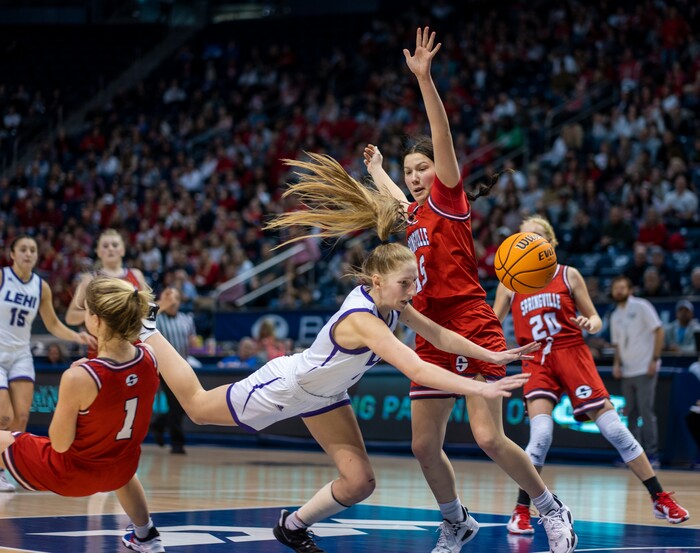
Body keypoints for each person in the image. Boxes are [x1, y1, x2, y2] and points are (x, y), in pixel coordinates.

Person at [144, 237, 537, 553]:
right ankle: (148, 330)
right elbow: (416, 368)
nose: (412, 290)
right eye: (406, 283)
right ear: (377, 281)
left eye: (415, 281)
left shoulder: (393, 302)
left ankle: (292, 527)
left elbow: (438, 334)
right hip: (289, 387)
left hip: (327, 396)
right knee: (195, 406)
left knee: (360, 482)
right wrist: (479, 386)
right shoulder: (363, 320)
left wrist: (491, 354)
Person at [363, 27, 577, 553]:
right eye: (410, 171)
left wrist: (424, 80)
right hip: (431, 329)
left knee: (487, 438)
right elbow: (396, 198)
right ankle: (455, 520)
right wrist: (378, 171)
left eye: (422, 169)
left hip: (472, 321)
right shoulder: (412, 213)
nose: (415, 177)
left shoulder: (448, 199)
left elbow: (443, 137)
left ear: (439, 172)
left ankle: (549, 507)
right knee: (422, 444)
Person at [493, 216, 689, 536]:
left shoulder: (568, 274)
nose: (527, 243)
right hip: (537, 359)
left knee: (615, 429)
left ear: (549, 244)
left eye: (535, 237)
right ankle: (521, 509)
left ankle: (659, 496)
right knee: (540, 435)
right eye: (522, 237)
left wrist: (590, 323)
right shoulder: (510, 281)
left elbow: (596, 318)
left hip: (572, 352)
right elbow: (492, 323)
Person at [0, 276, 165, 552]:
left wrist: (74, 388)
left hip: (74, 475)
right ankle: (146, 535)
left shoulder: (79, 377)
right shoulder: (151, 356)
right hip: (121, 468)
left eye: (87, 311)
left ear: (97, 320)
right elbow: (122, 382)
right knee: (119, 461)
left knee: (3, 440)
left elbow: (61, 444)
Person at [0, 235, 93, 493]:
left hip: (21, 354)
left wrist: (76, 335)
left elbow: (52, 324)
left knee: (21, 417)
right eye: (23, 249)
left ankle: (5, 470)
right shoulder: (2, 277)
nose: (28, 253)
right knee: (4, 415)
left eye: (32, 250)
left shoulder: (41, 287)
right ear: (12, 254)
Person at [65, 228, 148, 356]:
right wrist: (102, 313)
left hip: (134, 344)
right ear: (98, 252)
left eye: (115, 245)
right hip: (101, 349)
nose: (110, 248)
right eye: (105, 246)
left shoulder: (136, 275)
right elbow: (71, 317)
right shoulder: (89, 279)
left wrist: (164, 303)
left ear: (122, 250)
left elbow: (148, 311)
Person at [609, 275, 665, 466]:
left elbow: (659, 330)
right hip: (627, 370)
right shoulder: (615, 315)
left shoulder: (641, 306)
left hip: (644, 367)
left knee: (646, 411)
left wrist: (654, 359)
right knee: (630, 413)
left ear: (630, 290)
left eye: (622, 287)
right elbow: (617, 345)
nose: (618, 291)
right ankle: (633, 456)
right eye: (616, 288)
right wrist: (617, 364)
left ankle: (652, 454)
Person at [149, 287, 196, 455]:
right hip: (165, 367)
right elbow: (146, 316)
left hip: (184, 365)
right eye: (168, 296)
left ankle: (158, 425)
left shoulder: (187, 319)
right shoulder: (157, 319)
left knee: (184, 404)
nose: (173, 300)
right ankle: (177, 443)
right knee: (176, 404)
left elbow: (192, 340)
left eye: (176, 296)